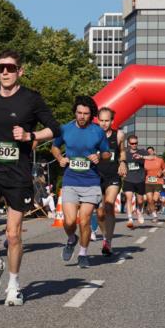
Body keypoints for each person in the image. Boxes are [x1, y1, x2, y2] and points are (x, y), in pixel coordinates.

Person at [0, 50, 59, 306]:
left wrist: (30, 136)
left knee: (13, 235)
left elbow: (55, 128)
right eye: (1, 68)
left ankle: (13, 283)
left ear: (20, 71)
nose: (5, 72)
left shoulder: (31, 99)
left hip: (18, 174)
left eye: (11, 68)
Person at [51, 96, 110, 269]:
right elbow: (54, 147)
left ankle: (83, 253)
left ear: (91, 115)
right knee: (69, 222)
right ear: (75, 112)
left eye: (86, 113)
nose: (82, 116)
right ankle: (71, 239)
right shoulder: (65, 129)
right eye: (79, 113)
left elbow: (107, 153)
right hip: (70, 180)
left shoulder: (97, 131)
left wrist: (99, 156)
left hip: (91, 181)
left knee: (84, 221)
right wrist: (60, 158)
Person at [95, 107, 124, 256]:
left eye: (107, 120)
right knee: (99, 213)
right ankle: (105, 235)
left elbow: (122, 151)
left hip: (113, 176)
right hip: (95, 176)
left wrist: (123, 163)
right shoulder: (91, 134)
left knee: (109, 205)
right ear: (97, 120)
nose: (104, 123)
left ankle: (109, 242)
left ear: (112, 121)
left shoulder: (118, 135)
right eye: (102, 120)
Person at [121, 134, 148, 229]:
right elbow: (120, 162)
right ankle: (130, 219)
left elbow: (152, 157)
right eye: (132, 143)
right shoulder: (125, 153)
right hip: (128, 179)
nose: (134, 145)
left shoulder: (142, 151)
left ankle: (138, 210)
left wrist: (141, 157)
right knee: (129, 198)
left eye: (135, 143)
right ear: (128, 143)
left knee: (140, 200)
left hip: (140, 179)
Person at [143, 146, 165, 220]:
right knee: (150, 199)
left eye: (151, 151)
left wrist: (161, 172)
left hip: (158, 181)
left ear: (154, 152)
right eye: (148, 152)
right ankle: (154, 215)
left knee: (155, 199)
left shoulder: (160, 160)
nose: (149, 152)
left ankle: (149, 207)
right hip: (148, 181)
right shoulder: (145, 161)